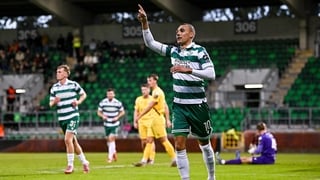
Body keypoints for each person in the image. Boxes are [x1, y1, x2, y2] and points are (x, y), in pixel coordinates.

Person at [138, 4, 216, 180]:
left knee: (204, 144)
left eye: (182, 31)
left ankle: (211, 177)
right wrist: (145, 23)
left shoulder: (199, 51)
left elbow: (211, 74)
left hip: (198, 106)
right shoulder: (174, 51)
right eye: (177, 31)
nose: (178, 33)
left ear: (191, 34)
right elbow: (150, 43)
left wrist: (190, 70)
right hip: (180, 106)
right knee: (179, 144)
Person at [49, 64, 90, 174]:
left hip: (73, 115)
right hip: (62, 118)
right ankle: (85, 162)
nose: (58, 73)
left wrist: (78, 102)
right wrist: (54, 102)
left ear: (66, 74)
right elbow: (50, 103)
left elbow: (83, 95)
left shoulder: (73, 85)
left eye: (60, 72)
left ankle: (70, 165)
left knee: (67, 140)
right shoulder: (54, 88)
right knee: (73, 142)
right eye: (57, 72)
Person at [133, 74, 176, 167]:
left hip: (157, 119)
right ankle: (144, 161)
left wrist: (140, 115)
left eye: (150, 80)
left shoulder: (157, 92)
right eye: (148, 81)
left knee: (163, 140)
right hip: (153, 119)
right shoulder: (155, 92)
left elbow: (150, 105)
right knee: (149, 140)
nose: (149, 83)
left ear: (155, 81)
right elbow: (165, 106)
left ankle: (175, 159)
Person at [97, 88, 125, 163]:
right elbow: (99, 112)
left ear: (114, 94)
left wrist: (117, 117)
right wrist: (102, 116)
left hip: (114, 124)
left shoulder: (117, 103)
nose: (110, 95)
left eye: (111, 94)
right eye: (109, 94)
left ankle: (110, 158)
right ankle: (114, 152)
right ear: (107, 94)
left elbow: (122, 112)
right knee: (108, 140)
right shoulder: (103, 102)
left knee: (111, 138)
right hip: (106, 123)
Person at [133, 83, 157, 165]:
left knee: (150, 140)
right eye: (142, 90)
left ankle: (151, 158)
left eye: (145, 89)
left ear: (149, 90)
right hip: (141, 122)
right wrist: (134, 121)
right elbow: (136, 110)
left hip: (151, 121)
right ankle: (146, 157)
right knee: (143, 142)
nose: (143, 91)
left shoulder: (152, 99)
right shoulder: (138, 99)